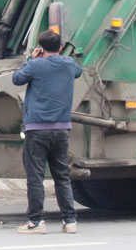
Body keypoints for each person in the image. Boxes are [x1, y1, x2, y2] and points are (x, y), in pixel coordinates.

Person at [11, 30, 82, 234]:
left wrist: (32, 60)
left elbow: (17, 79)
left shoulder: (35, 65)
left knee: (36, 177)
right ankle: (70, 221)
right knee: (62, 176)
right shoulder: (69, 64)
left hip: (37, 128)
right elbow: (78, 72)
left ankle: (36, 222)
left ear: (40, 48)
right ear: (60, 47)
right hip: (61, 130)